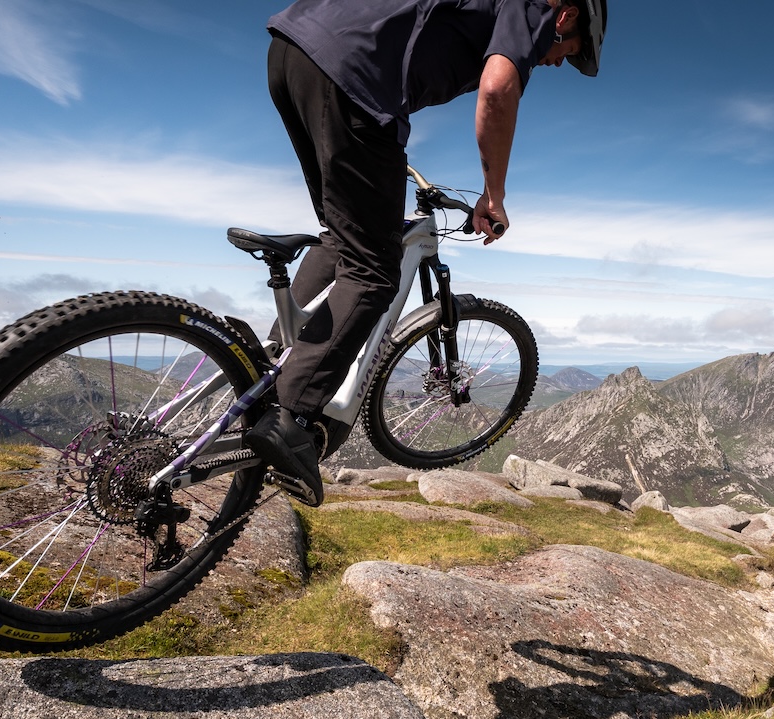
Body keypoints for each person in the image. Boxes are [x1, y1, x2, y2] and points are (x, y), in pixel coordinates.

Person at [245, 0, 607, 505]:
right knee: (374, 273)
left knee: (342, 237)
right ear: (567, 16)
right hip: (353, 78)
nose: (559, 61)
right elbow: (498, 89)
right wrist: (493, 195)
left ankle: (270, 367)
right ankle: (290, 418)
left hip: (293, 50)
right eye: (571, 52)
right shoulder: (533, 8)